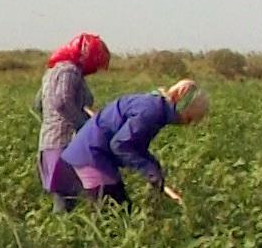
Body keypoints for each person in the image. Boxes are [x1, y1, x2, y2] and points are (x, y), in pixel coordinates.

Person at [62, 79, 209, 208]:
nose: (186, 124)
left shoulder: (156, 107)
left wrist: (154, 167)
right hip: (91, 155)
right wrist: (149, 169)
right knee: (116, 212)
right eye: (189, 118)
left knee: (121, 208)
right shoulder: (152, 112)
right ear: (181, 107)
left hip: (95, 154)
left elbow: (134, 145)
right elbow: (120, 145)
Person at [33, 33, 110, 212]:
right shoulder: (70, 71)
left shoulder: (52, 72)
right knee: (67, 201)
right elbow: (62, 101)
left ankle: (63, 236)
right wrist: (84, 125)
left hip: (50, 143)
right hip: (65, 145)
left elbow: (38, 104)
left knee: (65, 199)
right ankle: (62, 238)